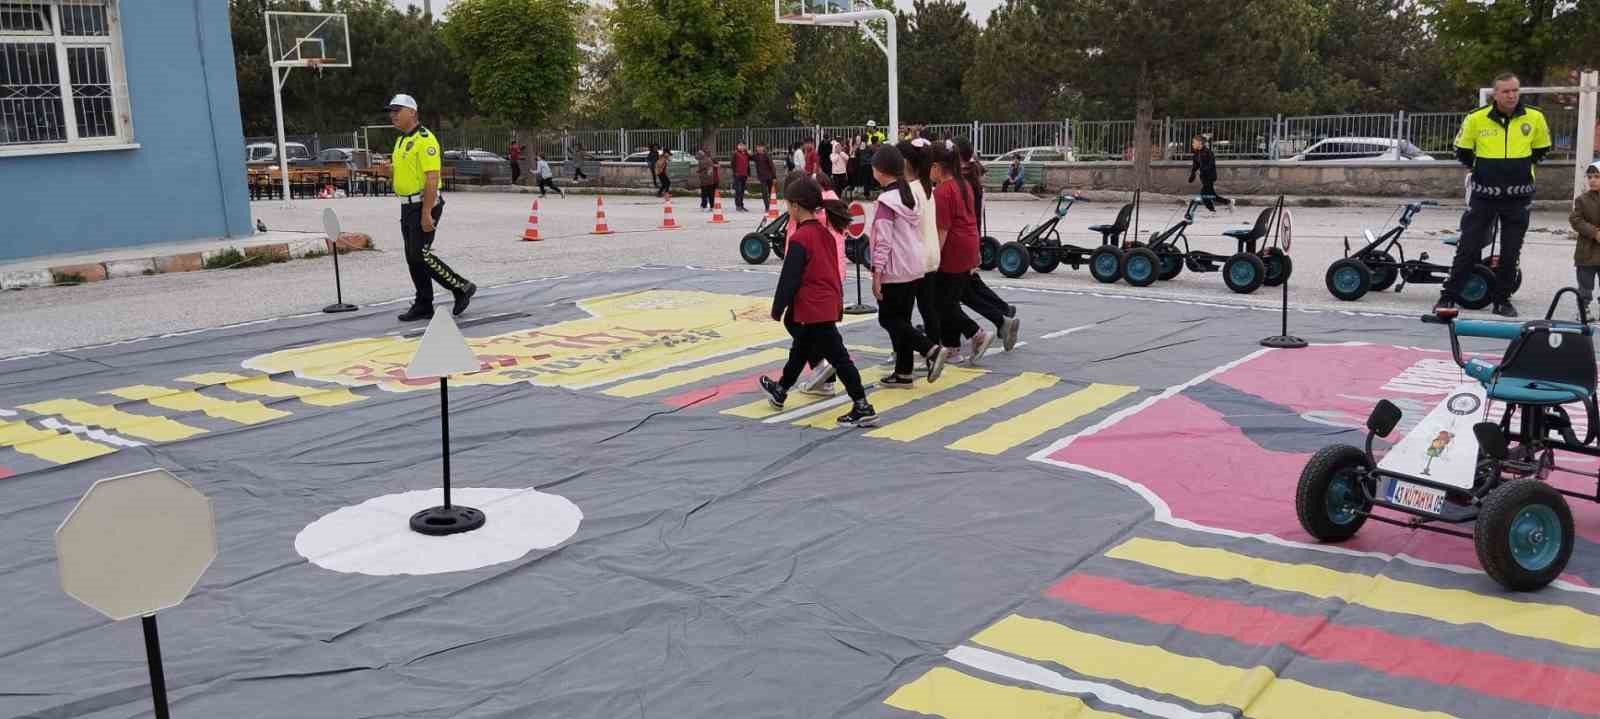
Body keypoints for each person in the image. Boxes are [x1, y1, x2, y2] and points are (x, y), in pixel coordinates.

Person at [759, 174, 878, 427]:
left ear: (795, 206)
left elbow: (789, 278)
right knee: (801, 347)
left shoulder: (801, 238)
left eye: (787, 204)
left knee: (839, 357)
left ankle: (862, 404)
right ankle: (781, 390)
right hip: (825, 301)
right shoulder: (824, 232)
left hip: (815, 306)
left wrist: (777, 308)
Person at [1437, 72, 1553, 317]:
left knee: (1511, 252)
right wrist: (1482, 171)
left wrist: (1519, 171)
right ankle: (1448, 297)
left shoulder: (1535, 117)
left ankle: (1502, 300)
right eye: (1505, 91)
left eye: (1515, 90)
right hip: (1483, 197)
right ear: (1495, 94)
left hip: (1518, 199)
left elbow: (1542, 149)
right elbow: (1462, 150)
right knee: (1468, 248)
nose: (1511, 95)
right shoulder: (1476, 118)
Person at [385, 93, 474, 323]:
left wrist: (426, 213)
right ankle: (424, 304)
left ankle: (460, 287)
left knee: (420, 255)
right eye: (391, 111)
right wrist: (390, 173)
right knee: (412, 257)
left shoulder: (425, 140)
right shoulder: (401, 140)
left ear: (412, 112)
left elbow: (432, 178)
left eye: (397, 111)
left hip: (424, 203)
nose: (392, 115)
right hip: (407, 205)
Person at [869, 144, 947, 387]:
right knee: (902, 319)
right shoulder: (908, 195)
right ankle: (904, 373)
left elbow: (883, 242)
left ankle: (930, 349)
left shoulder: (886, 202)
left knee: (889, 320)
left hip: (895, 268)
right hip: (914, 266)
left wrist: (876, 274)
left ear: (880, 171)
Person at [930, 145, 994, 364]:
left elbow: (942, 230)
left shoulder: (941, 192)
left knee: (942, 303)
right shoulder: (964, 184)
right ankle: (952, 348)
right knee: (951, 300)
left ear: (937, 167)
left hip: (953, 251)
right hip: (968, 246)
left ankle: (976, 334)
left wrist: (932, 259)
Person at [956, 137, 1020, 351]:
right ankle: (1002, 314)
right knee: (967, 288)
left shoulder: (962, 182)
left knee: (958, 293)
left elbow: (966, 218)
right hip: (969, 241)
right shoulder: (970, 179)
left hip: (962, 244)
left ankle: (999, 319)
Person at [1571, 162, 1600, 313]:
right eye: (1589, 177)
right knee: (1585, 285)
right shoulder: (1582, 200)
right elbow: (1576, 220)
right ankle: (1583, 311)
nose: (1592, 180)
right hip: (1586, 251)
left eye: (1597, 176)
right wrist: (1594, 233)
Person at [1188, 135, 1232, 212]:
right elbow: (1195, 166)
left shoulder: (1208, 152)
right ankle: (1228, 202)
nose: (1192, 144)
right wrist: (1192, 174)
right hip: (1204, 177)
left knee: (1204, 195)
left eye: (1194, 142)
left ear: (1200, 143)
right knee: (1211, 195)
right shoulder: (1196, 154)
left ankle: (1212, 210)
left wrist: (1202, 169)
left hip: (1210, 176)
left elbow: (1211, 165)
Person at [754, 143, 777, 213]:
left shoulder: (767, 155)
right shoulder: (756, 156)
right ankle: (767, 207)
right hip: (762, 177)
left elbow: (772, 166)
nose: (759, 149)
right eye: (758, 147)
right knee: (764, 192)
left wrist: (774, 177)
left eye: (761, 147)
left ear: (763, 148)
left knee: (771, 192)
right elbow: (748, 157)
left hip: (769, 177)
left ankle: (771, 205)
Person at [732, 142, 751, 212]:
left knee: (742, 191)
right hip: (738, 175)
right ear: (737, 146)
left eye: (743, 145)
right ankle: (738, 205)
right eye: (740, 145)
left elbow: (750, 160)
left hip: (744, 175)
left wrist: (748, 153)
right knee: (738, 190)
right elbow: (732, 164)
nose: (741, 147)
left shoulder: (746, 154)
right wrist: (735, 173)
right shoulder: (735, 154)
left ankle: (741, 205)